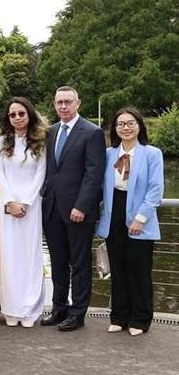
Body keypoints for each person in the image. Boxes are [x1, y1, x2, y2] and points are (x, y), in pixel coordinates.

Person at [40, 86, 106, 332]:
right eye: (59, 103)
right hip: (52, 209)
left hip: (78, 211)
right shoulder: (51, 132)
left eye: (68, 102)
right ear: (55, 105)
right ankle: (59, 308)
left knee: (79, 263)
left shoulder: (92, 132)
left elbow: (94, 174)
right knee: (57, 262)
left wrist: (82, 206)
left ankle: (77, 313)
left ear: (78, 103)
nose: (64, 107)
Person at [96, 107, 164, 336]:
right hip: (114, 213)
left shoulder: (152, 154)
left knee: (139, 270)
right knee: (118, 269)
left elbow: (155, 190)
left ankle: (140, 319)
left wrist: (140, 218)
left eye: (130, 123)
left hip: (139, 216)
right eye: (120, 124)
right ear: (114, 129)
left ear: (139, 126)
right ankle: (119, 316)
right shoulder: (108, 154)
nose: (125, 127)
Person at [0, 98, 47, 328]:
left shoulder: (40, 142)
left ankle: (29, 310)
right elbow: (0, 175)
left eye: (21, 113)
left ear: (29, 115)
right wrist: (11, 202)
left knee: (30, 257)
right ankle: (11, 308)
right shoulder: (0, 143)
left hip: (31, 207)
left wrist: (25, 202)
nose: (17, 118)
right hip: (8, 207)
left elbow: (40, 174)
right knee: (9, 258)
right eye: (12, 114)